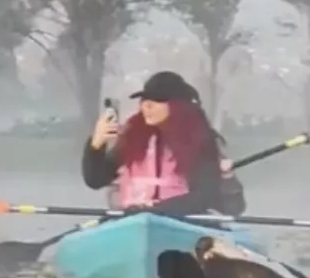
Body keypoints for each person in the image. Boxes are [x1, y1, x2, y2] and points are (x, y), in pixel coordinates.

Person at [83, 71, 246, 217]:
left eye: (157, 100)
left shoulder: (200, 143)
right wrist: (96, 145)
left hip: (181, 223)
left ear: (178, 105)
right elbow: (95, 180)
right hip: (130, 220)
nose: (146, 105)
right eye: (144, 99)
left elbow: (204, 196)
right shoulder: (132, 140)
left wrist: (156, 209)